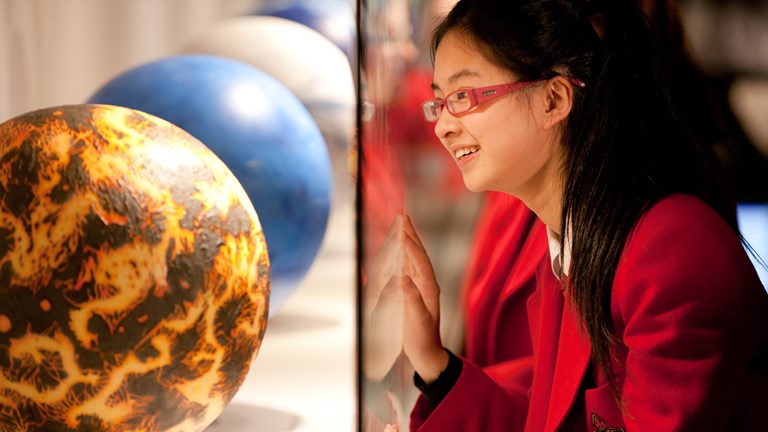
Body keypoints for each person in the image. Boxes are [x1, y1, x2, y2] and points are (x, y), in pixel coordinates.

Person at [365, 0, 768, 430]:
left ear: (554, 99)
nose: (442, 125)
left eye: (462, 97)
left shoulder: (670, 252)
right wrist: (433, 363)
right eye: (440, 102)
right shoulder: (569, 242)